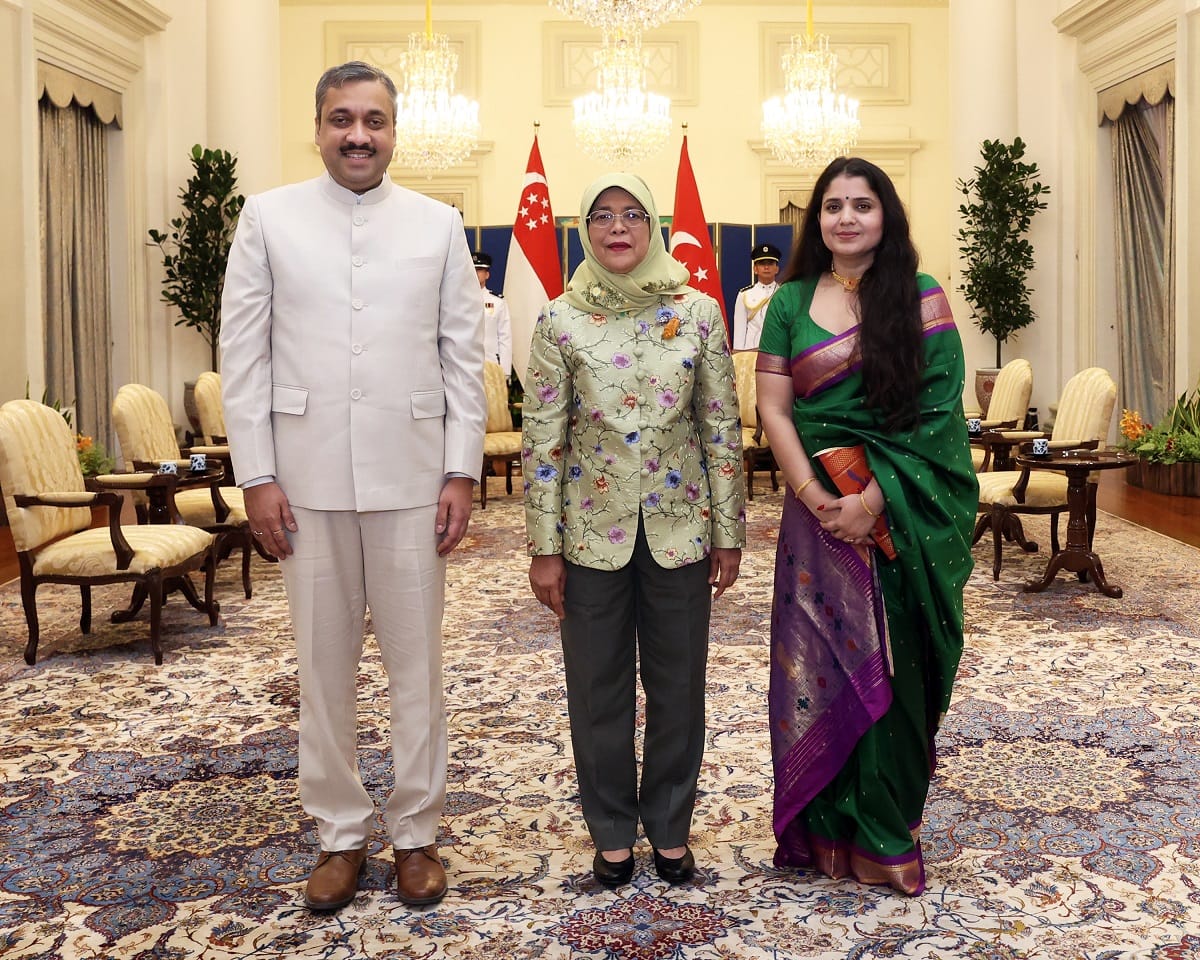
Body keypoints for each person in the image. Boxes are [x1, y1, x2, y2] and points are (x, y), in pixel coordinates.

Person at [219, 61, 486, 912]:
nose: (358, 134)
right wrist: (256, 474)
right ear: (319, 125)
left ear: (394, 130)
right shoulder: (267, 218)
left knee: (417, 670)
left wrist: (462, 467)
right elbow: (244, 356)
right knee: (322, 671)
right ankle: (338, 834)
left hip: (413, 475)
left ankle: (415, 834)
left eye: (373, 119)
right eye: (342, 119)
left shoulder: (439, 224)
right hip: (304, 480)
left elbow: (461, 359)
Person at [754, 156, 977, 896]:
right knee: (824, 663)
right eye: (832, 206)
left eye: (863, 204)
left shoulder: (919, 298)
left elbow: (938, 419)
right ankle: (827, 830)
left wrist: (871, 502)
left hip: (899, 514)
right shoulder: (787, 303)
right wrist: (817, 497)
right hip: (817, 518)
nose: (846, 218)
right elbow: (774, 411)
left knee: (901, 663)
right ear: (814, 218)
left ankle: (884, 830)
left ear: (887, 215)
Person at [522, 173, 746, 887]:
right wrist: (544, 548)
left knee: (680, 687)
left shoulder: (700, 313)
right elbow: (543, 439)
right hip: (590, 536)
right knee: (598, 688)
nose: (617, 228)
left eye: (631, 215)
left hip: (681, 532)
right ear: (584, 230)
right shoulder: (560, 320)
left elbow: (719, 427)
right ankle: (613, 831)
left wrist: (729, 529)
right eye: (601, 216)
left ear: (652, 226)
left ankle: (672, 828)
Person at [732, 242, 781, 351]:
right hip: (751, 351)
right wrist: (739, 354)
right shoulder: (744, 294)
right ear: (755, 269)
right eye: (762, 263)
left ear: (777, 269)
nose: (766, 267)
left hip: (777, 351)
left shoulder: (783, 293)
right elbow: (740, 328)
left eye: (770, 263)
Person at [473, 251, 513, 376]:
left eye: (479, 270)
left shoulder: (498, 302)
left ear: (487, 274)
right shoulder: (456, 301)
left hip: (490, 366)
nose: (475, 273)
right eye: (472, 269)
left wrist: (505, 372)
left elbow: (504, 337)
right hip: (464, 368)